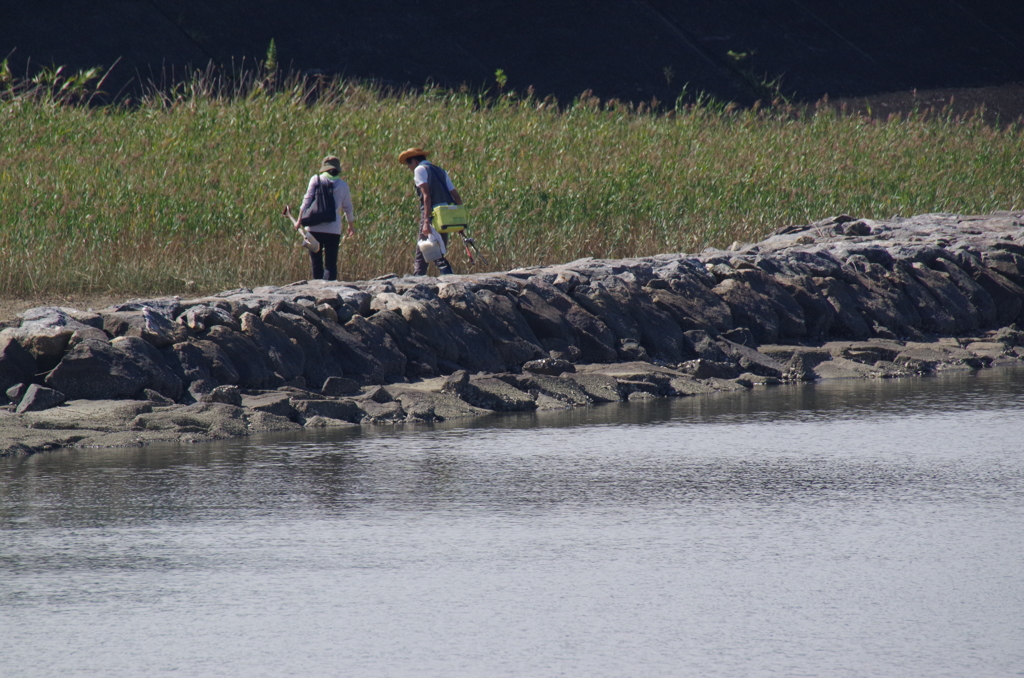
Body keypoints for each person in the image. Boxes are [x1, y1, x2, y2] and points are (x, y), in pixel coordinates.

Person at [398, 147, 462, 276]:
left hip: (432, 213)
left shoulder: (420, 170)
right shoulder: (441, 171)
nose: (409, 167)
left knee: (424, 245)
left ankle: (425, 275)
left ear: (415, 161)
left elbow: (426, 196)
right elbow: (456, 196)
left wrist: (426, 220)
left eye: (409, 164)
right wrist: (459, 219)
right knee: (435, 246)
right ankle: (424, 274)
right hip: (446, 214)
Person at [298, 155, 356, 281]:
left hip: (313, 228)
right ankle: (331, 292)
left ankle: (317, 291)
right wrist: (351, 227)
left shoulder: (316, 180)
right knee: (330, 264)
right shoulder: (343, 186)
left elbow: (306, 201)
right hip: (333, 230)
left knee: (316, 263)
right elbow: (348, 208)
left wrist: (299, 220)